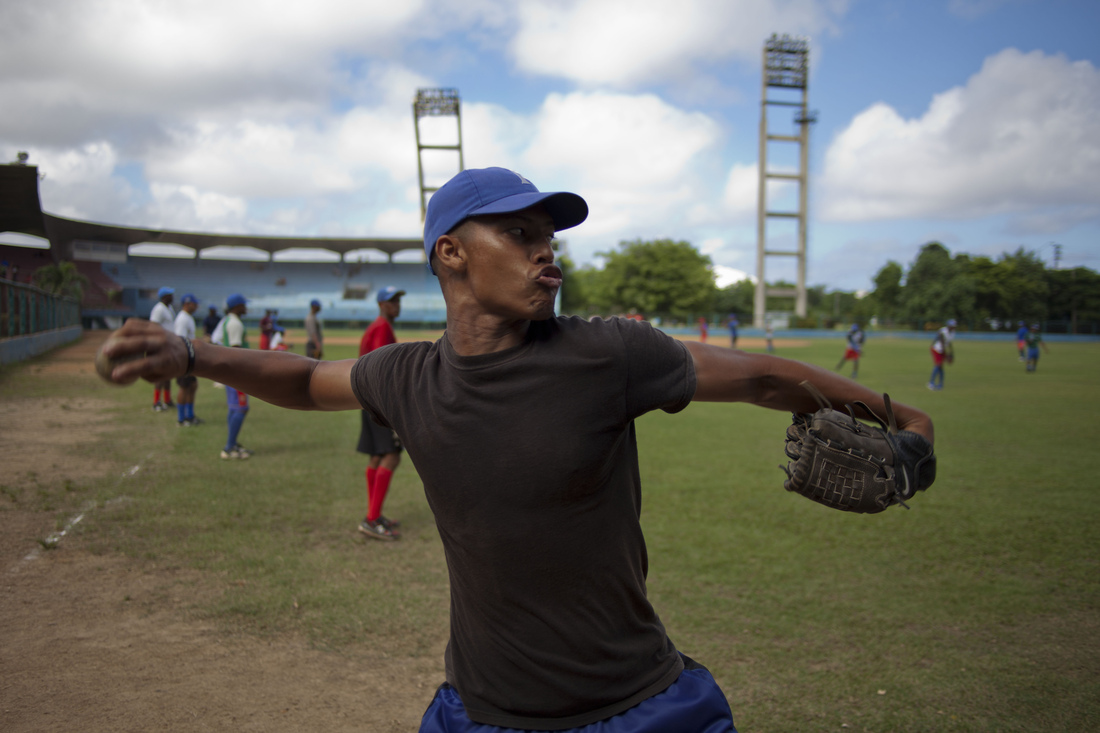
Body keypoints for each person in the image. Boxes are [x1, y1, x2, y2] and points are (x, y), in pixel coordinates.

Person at [101, 167, 933, 733]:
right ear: (451, 253)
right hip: (483, 711)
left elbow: (758, 379)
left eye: (551, 234)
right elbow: (309, 377)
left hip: (638, 705)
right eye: (521, 230)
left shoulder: (608, 353)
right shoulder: (405, 376)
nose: (548, 249)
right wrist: (194, 355)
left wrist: (905, 419)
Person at [356, 285, 407, 541]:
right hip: (379, 402)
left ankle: (373, 514)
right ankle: (372, 519)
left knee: (377, 457)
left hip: (368, 401)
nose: (397, 305)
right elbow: (380, 368)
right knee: (391, 457)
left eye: (398, 300)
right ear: (381, 304)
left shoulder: (378, 326)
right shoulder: (382, 328)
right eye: (392, 301)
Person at [219, 293, 252, 460]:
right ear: (236, 307)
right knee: (241, 408)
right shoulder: (235, 324)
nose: (246, 307)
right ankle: (229, 447)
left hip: (230, 374)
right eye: (243, 305)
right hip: (236, 374)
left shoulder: (227, 321)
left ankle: (232, 443)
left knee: (234, 408)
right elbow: (236, 351)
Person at [172, 294, 203, 426]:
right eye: (194, 304)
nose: (196, 306)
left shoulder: (188, 318)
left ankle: (190, 415)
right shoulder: (182, 319)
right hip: (184, 359)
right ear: (187, 304)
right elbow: (180, 341)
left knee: (192, 386)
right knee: (184, 387)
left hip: (190, 358)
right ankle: (181, 418)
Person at [148, 286, 177, 411]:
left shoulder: (169, 308)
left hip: (170, 344)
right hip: (161, 345)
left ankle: (167, 399)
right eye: (171, 295)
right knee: (160, 374)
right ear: (165, 297)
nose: (173, 297)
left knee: (168, 373)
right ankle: (156, 402)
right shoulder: (158, 309)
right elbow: (153, 327)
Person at [928, 318, 957, 391]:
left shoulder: (953, 332)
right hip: (936, 349)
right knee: (938, 365)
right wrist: (947, 355)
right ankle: (931, 383)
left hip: (942, 350)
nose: (954, 327)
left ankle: (940, 384)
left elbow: (949, 343)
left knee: (941, 367)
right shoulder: (942, 331)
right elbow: (942, 343)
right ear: (949, 325)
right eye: (953, 326)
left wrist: (951, 353)